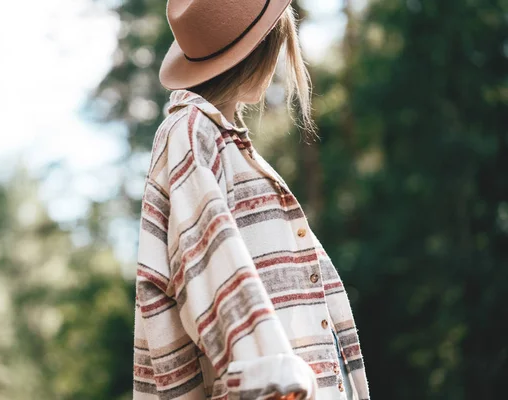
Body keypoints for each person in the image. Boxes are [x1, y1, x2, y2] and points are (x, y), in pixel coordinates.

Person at [133, 1, 370, 399]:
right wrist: (270, 375)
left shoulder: (221, 143)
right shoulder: (190, 132)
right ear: (264, 47)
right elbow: (207, 263)